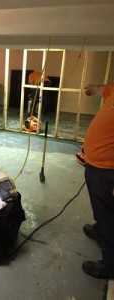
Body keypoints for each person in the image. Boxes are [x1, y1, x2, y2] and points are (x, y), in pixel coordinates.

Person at [82, 83, 114, 279]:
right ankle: (101, 230)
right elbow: (108, 89)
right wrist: (95, 89)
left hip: (109, 171)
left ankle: (110, 265)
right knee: (101, 208)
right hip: (97, 166)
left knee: (109, 215)